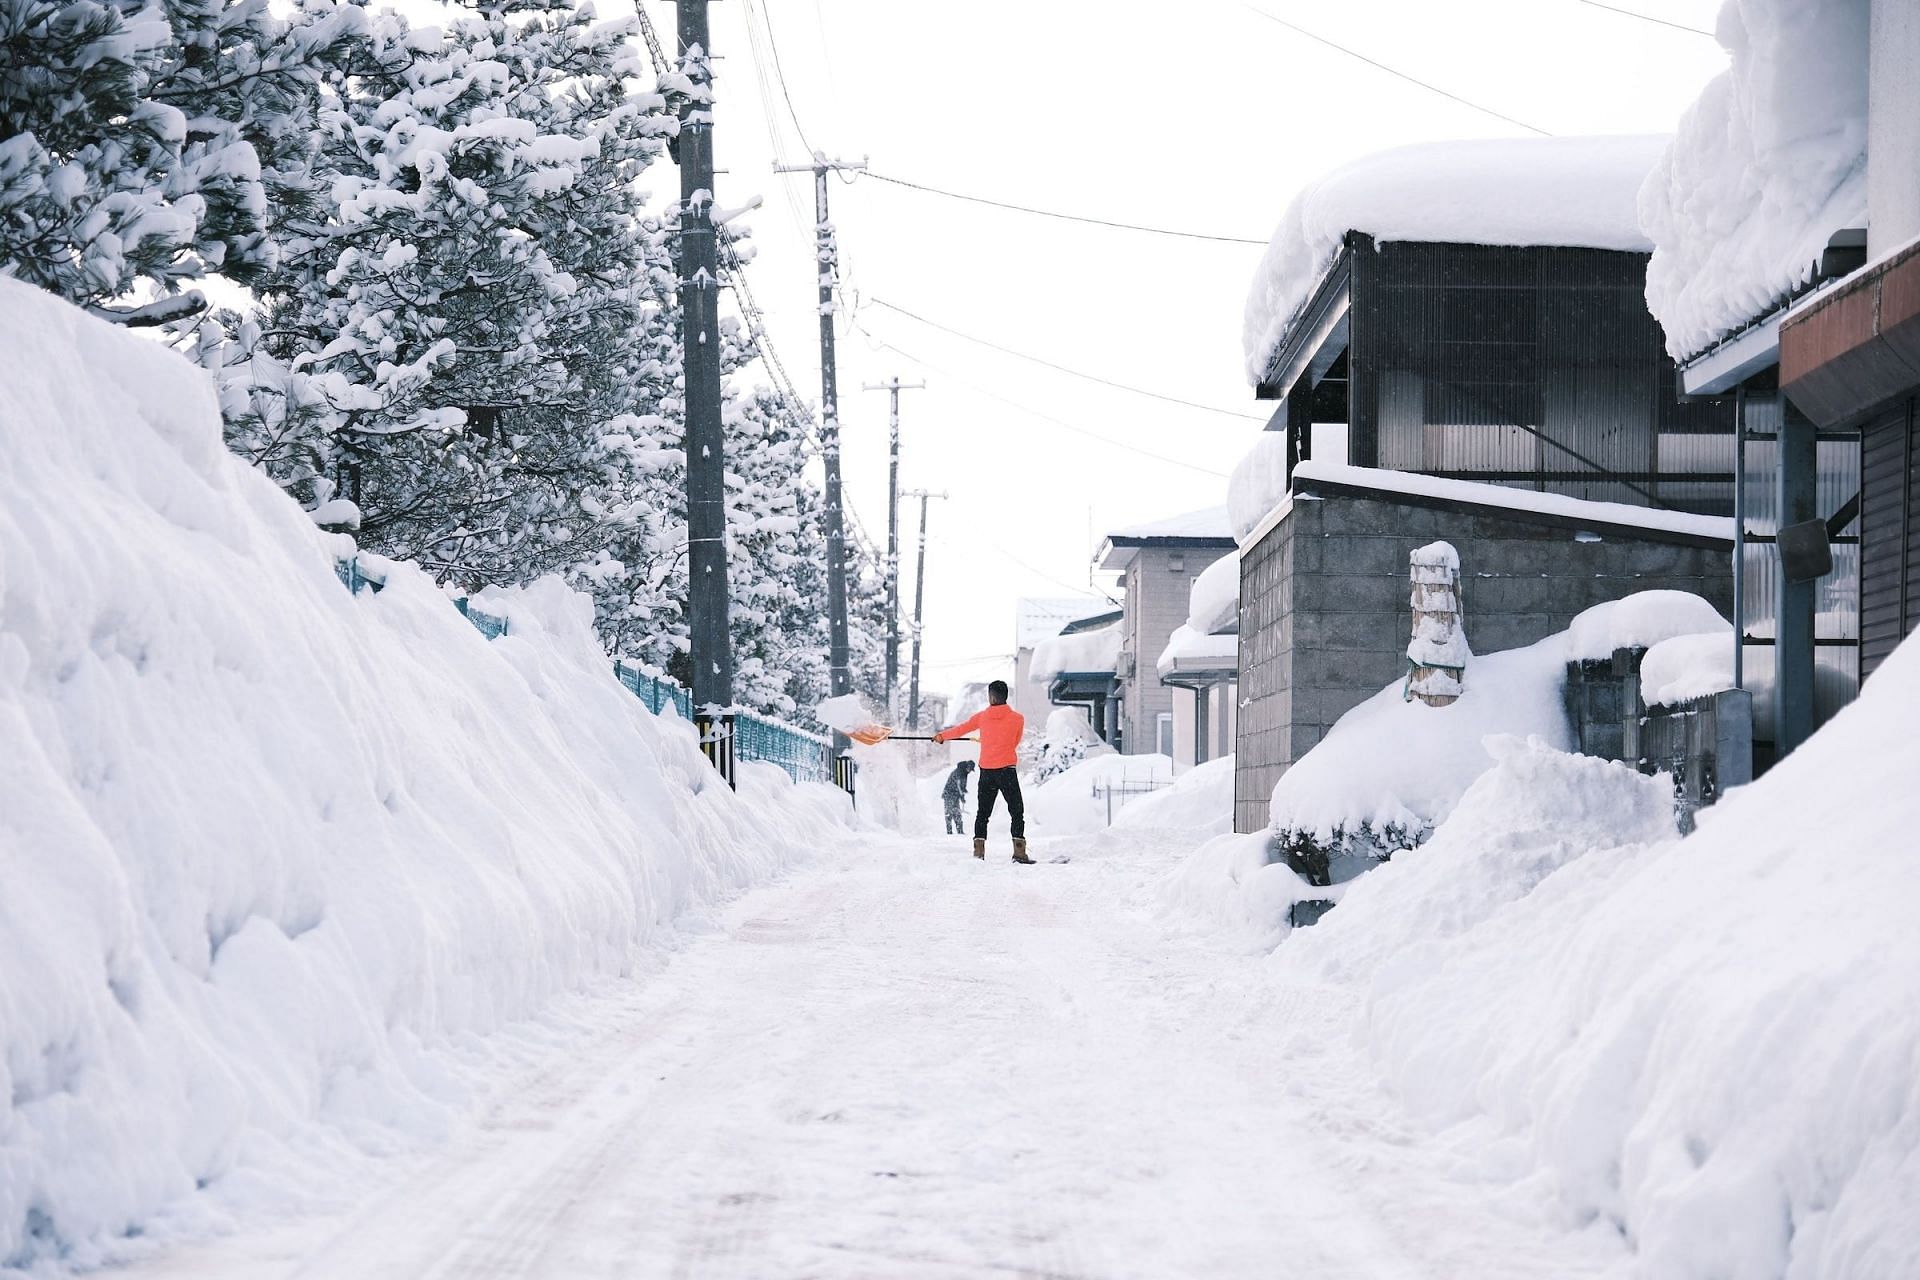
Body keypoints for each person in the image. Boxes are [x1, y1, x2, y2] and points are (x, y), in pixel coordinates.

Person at [932, 680, 1031, 863]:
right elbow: (1014, 742)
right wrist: (1000, 747)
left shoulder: (982, 717)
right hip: (1007, 771)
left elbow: (960, 729)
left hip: (987, 772)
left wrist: (941, 737)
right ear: (1005, 696)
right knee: (1016, 811)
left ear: (991, 697)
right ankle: (1019, 852)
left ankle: (979, 852)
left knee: (982, 813)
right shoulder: (1018, 719)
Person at [940, 760, 976, 835]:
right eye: (970, 769)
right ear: (967, 767)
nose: (970, 772)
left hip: (955, 795)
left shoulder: (964, 773)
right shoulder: (959, 772)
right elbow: (958, 785)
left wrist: (964, 790)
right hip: (949, 794)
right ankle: (949, 832)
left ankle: (960, 831)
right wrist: (961, 795)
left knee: (957, 813)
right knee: (949, 812)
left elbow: (962, 786)